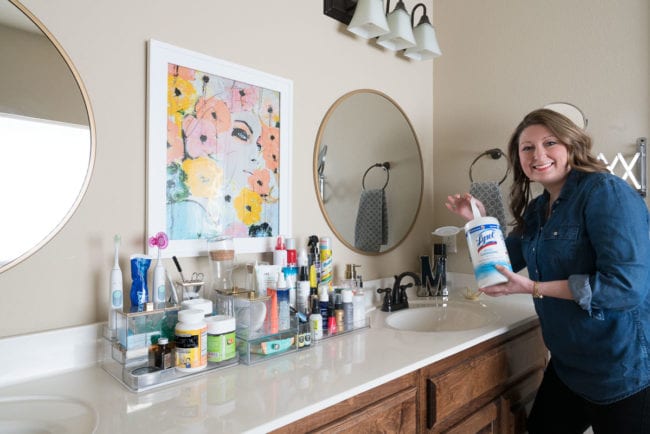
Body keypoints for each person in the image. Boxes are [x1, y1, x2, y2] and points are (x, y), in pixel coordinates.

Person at [446, 108, 650, 434]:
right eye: (527, 148)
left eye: (549, 142)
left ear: (572, 145)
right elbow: (501, 269)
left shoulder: (605, 193)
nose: (537, 154)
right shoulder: (538, 209)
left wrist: (535, 288)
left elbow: (626, 288)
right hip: (569, 367)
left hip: (621, 370)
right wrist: (478, 220)